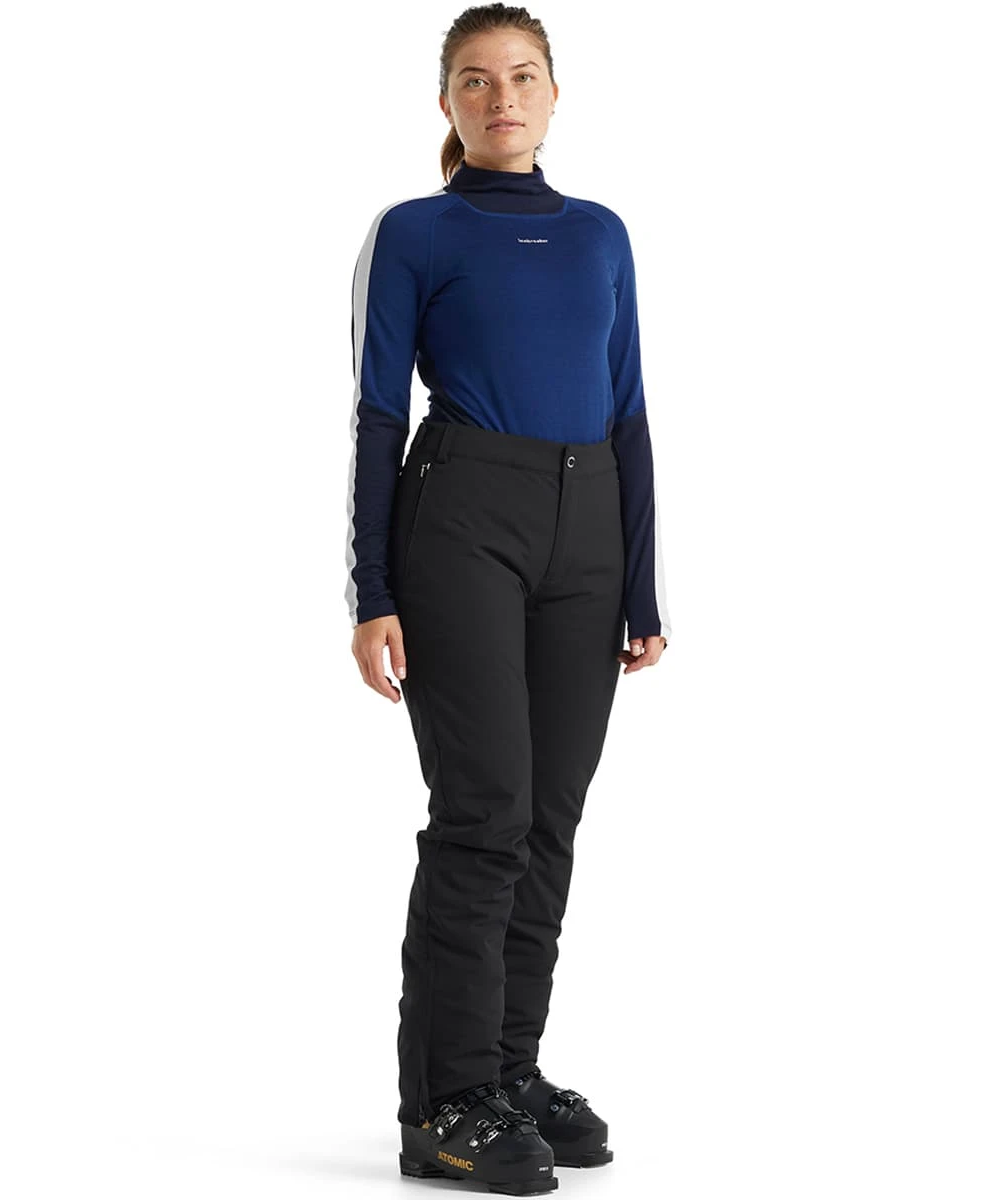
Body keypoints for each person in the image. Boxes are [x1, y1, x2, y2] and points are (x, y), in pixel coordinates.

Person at [344, 4, 671, 1192]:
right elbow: (378, 413)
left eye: (522, 76)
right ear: (447, 102)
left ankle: (508, 1073)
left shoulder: (601, 234)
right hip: (464, 519)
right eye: (476, 81)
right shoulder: (415, 232)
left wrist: (642, 583)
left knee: (549, 819)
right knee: (484, 810)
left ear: (554, 93)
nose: (501, 98)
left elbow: (629, 407)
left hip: (589, 527)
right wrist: (372, 589)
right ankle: (444, 1104)